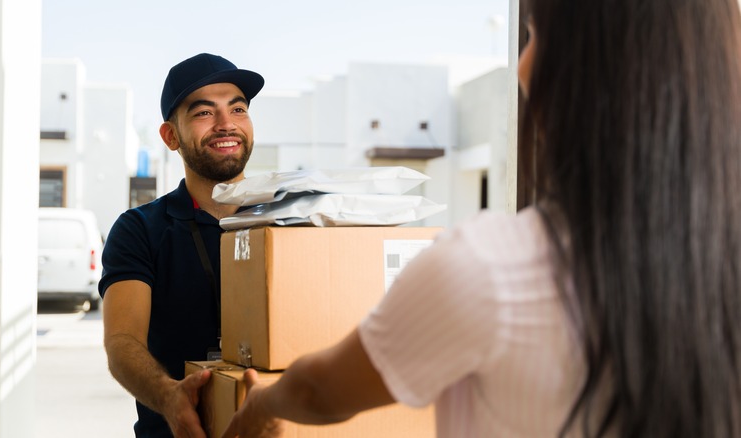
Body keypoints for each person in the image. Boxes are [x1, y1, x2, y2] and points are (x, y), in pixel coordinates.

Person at [222, 0, 741, 437]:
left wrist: (262, 405)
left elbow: (321, 390)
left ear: (589, 69)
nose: (522, 65)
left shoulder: (490, 268)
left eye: (535, 34)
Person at [100, 53, 264, 438]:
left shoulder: (288, 221)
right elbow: (122, 342)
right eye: (204, 113)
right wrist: (169, 395)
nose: (226, 124)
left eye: (237, 108)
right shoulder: (139, 229)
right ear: (170, 137)